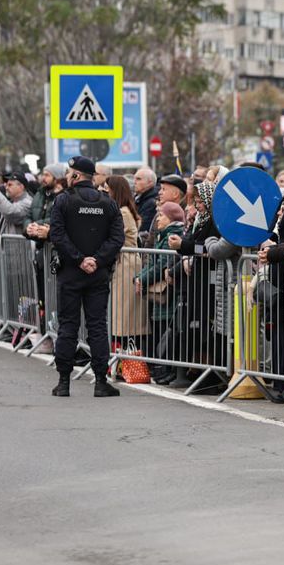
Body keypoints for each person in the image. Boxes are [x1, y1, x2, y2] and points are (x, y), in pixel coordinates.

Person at [48, 157, 125, 398]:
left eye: (70, 173)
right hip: (98, 275)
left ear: (76, 176)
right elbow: (117, 238)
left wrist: (79, 259)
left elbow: (57, 235)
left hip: (70, 273)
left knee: (68, 326)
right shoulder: (108, 203)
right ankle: (101, 382)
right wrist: (97, 260)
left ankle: (63, 383)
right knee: (97, 327)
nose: (68, 176)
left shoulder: (63, 200)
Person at [136, 201, 186, 385]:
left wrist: (142, 279)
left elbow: (160, 265)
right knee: (162, 333)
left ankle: (168, 369)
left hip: (169, 295)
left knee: (167, 333)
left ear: (172, 218)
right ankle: (164, 369)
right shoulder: (163, 235)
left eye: (162, 216)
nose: (158, 219)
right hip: (163, 297)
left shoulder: (172, 236)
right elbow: (152, 264)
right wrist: (139, 277)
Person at [105, 175, 150, 363]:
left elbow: (111, 236)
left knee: (125, 315)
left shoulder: (122, 212)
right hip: (124, 263)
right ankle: (121, 359)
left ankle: (126, 361)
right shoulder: (123, 209)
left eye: (107, 188)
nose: (105, 191)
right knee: (122, 314)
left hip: (126, 265)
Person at [133, 167, 158, 242]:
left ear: (150, 183)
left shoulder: (151, 202)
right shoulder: (137, 198)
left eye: (138, 179)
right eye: (134, 178)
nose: (134, 182)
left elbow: (143, 226)